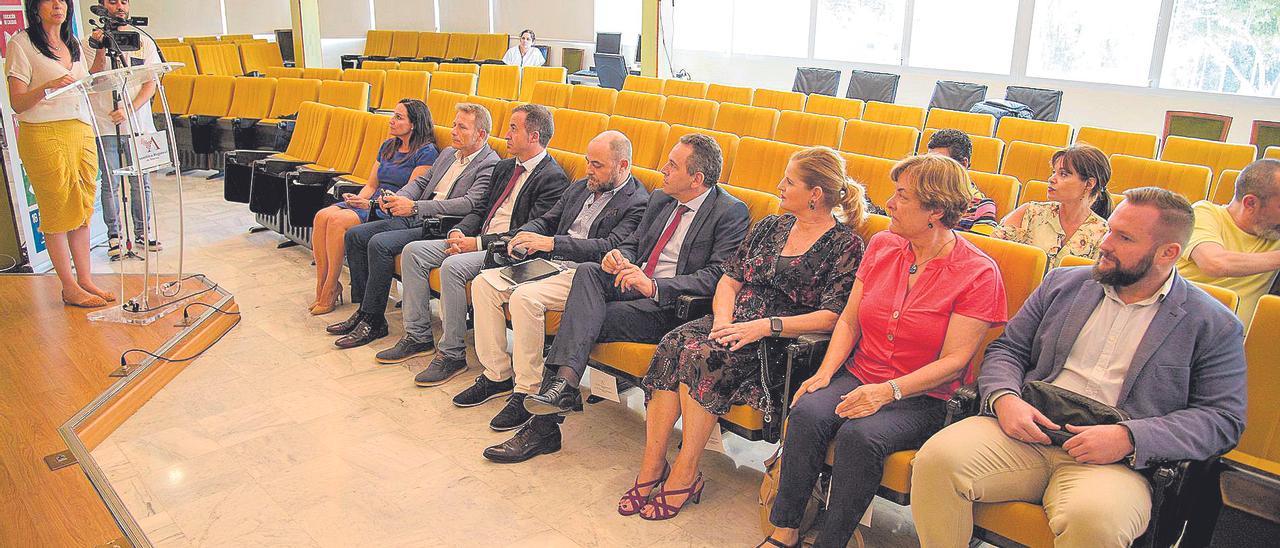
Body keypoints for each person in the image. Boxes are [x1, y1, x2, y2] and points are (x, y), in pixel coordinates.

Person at [911, 187, 1248, 548]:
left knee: (1096, 520)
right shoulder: (1063, 284)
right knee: (936, 460)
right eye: (1110, 230)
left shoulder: (1212, 323)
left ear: (1168, 253)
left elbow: (1222, 418)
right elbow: (1008, 349)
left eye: (1124, 238)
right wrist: (1005, 399)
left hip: (1115, 462)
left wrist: (1130, 437)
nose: (1105, 243)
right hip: (1026, 430)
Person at [762, 154, 1007, 547]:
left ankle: (832, 540)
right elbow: (848, 321)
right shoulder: (882, 245)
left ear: (936, 210)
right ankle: (785, 529)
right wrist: (825, 373)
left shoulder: (977, 272)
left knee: (862, 437)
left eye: (901, 196)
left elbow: (955, 362)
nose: (888, 203)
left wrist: (887, 392)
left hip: (922, 396)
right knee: (807, 409)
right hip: (861, 373)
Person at [622, 146, 868, 522]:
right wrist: (721, 318)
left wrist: (763, 327)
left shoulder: (844, 244)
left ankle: (686, 474)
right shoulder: (771, 225)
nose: (779, 186)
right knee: (675, 343)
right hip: (734, 322)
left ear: (815, 194)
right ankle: (652, 466)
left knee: (702, 356)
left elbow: (834, 315)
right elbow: (729, 279)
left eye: (789, 181)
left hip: (779, 340)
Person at [494, 133, 752, 464]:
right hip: (631, 281)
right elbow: (634, 243)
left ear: (697, 179)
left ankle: (549, 414)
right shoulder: (661, 199)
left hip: (670, 305)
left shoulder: (729, 212)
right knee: (588, 272)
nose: (663, 170)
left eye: (672, 165)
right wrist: (618, 255)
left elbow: (717, 275)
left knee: (583, 318)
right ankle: (563, 391)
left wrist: (654, 286)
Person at [458, 131, 648, 435]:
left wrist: (550, 243)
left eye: (597, 165)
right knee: (484, 284)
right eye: (588, 162)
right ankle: (497, 375)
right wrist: (524, 235)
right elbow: (548, 219)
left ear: (622, 165)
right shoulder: (581, 187)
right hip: (550, 264)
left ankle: (527, 391)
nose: (589, 170)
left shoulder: (637, 201)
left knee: (525, 299)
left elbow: (609, 246)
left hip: (583, 275)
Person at [371, 104, 568, 364]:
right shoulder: (507, 167)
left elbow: (530, 231)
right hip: (478, 238)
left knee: (452, 267)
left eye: (513, 129)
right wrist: (458, 231)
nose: (506, 135)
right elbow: (481, 210)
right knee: (413, 252)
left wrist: (474, 243)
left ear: (533, 137)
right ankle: (418, 336)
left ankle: (452, 354)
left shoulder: (552, 178)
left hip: (509, 250)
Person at [326, 103, 498, 347]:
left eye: (462, 127)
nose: (453, 131)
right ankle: (365, 309)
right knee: (355, 236)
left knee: (379, 244)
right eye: (453, 125)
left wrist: (416, 207)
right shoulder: (449, 153)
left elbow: (469, 203)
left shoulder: (489, 163)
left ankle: (374, 320)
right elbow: (422, 182)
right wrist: (399, 198)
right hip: (417, 214)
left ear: (481, 134)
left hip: (440, 224)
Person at [6, 0, 114, 307]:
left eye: (63, 1)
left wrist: (101, 53)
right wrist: (47, 86)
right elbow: (17, 101)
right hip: (43, 131)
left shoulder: (72, 42)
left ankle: (85, 280)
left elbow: (84, 80)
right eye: (50, 0)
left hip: (79, 128)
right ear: (35, 7)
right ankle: (68, 286)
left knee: (81, 207)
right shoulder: (21, 44)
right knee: (57, 209)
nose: (58, 5)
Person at [309, 99, 437, 315]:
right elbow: (371, 184)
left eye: (399, 117)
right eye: (393, 115)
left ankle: (330, 288)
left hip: (391, 207)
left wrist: (368, 204)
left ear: (414, 123)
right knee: (321, 216)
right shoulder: (388, 146)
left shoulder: (427, 152)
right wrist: (356, 201)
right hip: (371, 200)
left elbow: (410, 193)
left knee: (337, 222)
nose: (392, 120)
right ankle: (322, 285)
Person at [84, 0, 161, 258]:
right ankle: (114, 236)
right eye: (112, 1)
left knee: (142, 181)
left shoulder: (143, 40)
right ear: (102, 6)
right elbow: (90, 79)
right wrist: (100, 49)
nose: (119, 6)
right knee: (111, 183)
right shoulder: (89, 42)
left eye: (123, 1)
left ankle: (143, 232)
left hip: (139, 123)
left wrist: (129, 109)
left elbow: (150, 81)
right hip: (106, 125)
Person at [1175, 158, 1280, 327]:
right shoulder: (1205, 213)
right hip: (1178, 325)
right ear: (1250, 203)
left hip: (1235, 343)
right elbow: (1214, 263)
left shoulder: (1274, 232)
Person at [993, 144, 1111, 268]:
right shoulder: (1030, 212)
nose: (1051, 179)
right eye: (1054, 172)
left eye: (1063, 174)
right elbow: (992, 253)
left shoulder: (1103, 234)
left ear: (1089, 184)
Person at [925, 128, 998, 234]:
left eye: (941, 163)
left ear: (963, 164)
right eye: (929, 162)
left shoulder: (981, 206)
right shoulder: (922, 195)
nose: (931, 169)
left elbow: (976, 247)